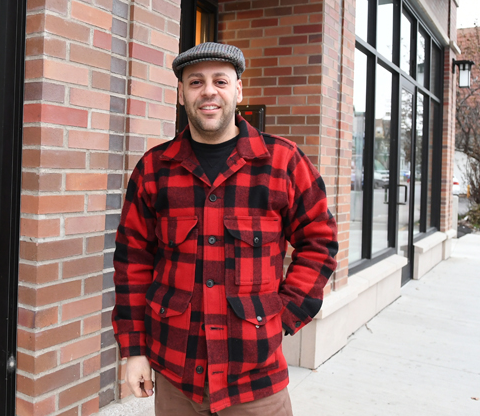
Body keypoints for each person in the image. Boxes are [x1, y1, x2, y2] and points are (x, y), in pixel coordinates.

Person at [112, 42, 338, 415]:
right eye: (196, 82)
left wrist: (285, 314)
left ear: (238, 90)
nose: (209, 91)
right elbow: (131, 263)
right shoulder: (154, 169)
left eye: (220, 80)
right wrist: (134, 350)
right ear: (182, 95)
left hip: (256, 379)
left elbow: (320, 240)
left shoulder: (282, 162)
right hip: (176, 377)